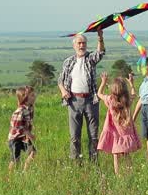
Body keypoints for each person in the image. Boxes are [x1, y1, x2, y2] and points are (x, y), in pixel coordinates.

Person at [57, 30, 105, 161]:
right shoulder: (68, 62)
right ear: (74, 45)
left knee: (94, 135)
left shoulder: (90, 59)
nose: (81, 46)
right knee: (74, 136)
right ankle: (76, 163)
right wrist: (63, 91)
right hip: (73, 101)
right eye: (79, 43)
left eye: (84, 43)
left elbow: (100, 53)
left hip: (90, 100)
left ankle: (94, 162)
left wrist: (100, 37)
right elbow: (60, 80)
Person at [96, 72, 140, 174]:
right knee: (126, 155)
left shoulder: (110, 100)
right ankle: (130, 174)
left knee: (116, 156)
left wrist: (103, 82)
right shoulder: (127, 100)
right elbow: (134, 93)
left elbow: (99, 94)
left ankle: (118, 176)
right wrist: (132, 84)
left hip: (115, 134)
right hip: (125, 133)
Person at [6, 86, 36, 171]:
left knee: (33, 152)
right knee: (16, 160)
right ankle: (9, 177)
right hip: (15, 138)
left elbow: (27, 123)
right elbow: (17, 125)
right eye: (32, 95)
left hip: (23, 137)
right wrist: (28, 134)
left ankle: (24, 172)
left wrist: (29, 131)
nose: (35, 97)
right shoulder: (20, 110)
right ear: (25, 97)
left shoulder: (30, 108)